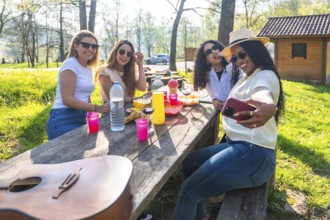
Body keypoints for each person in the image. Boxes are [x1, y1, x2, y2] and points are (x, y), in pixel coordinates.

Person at [172, 28, 285, 220]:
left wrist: (267, 106)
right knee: (188, 164)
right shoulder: (247, 75)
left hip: (254, 153)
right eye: (234, 58)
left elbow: (263, 93)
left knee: (187, 192)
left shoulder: (264, 75)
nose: (239, 61)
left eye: (242, 54)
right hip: (237, 144)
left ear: (255, 50)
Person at [46, 30, 110, 140]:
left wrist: (93, 113)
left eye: (94, 46)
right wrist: (96, 108)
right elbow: (67, 99)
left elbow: (85, 95)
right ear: (76, 46)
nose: (90, 49)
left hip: (81, 117)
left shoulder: (89, 68)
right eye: (86, 45)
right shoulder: (70, 64)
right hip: (63, 117)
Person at [193, 40, 242, 111]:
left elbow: (245, 79)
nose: (213, 51)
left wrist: (231, 63)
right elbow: (211, 94)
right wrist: (214, 100)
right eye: (208, 52)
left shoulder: (234, 67)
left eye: (215, 47)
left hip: (241, 111)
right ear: (206, 60)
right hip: (225, 115)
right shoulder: (207, 75)